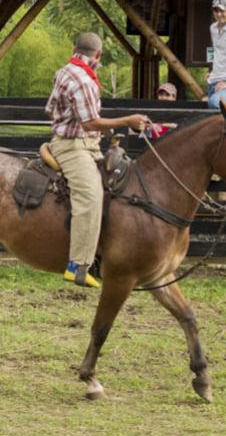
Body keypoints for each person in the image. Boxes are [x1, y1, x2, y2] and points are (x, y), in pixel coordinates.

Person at [45, 32, 150, 288]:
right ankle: (78, 265)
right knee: (90, 197)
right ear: (98, 55)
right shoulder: (84, 80)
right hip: (73, 148)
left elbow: (52, 109)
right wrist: (127, 121)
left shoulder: (65, 70)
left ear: (74, 49)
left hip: (80, 141)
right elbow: (90, 121)